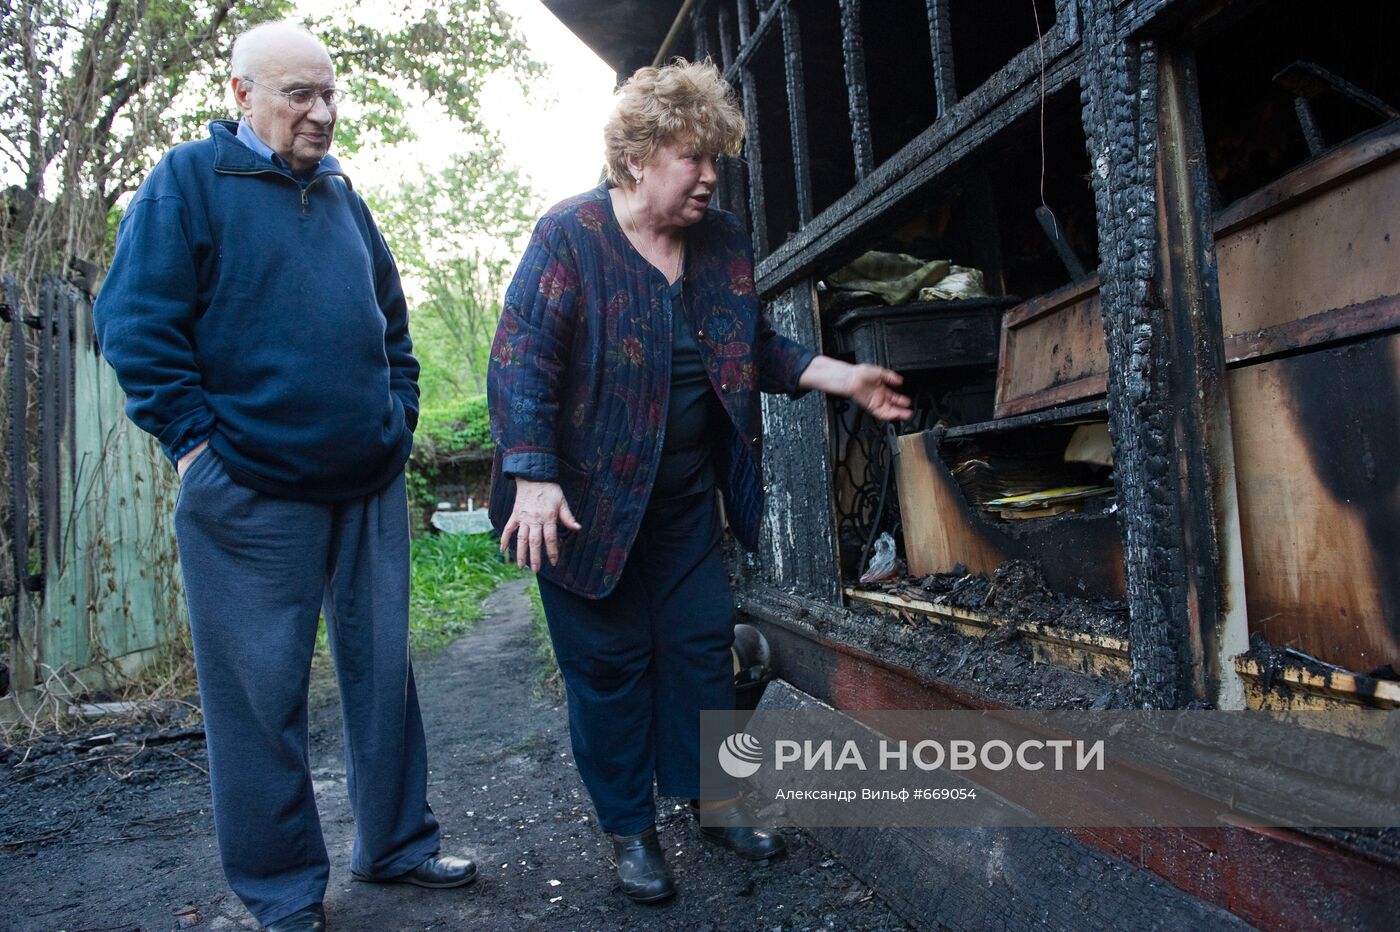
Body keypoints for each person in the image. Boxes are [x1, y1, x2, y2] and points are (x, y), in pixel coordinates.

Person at [487, 59, 911, 903]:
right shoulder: (571, 236)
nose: (711, 176)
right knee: (607, 668)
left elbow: (747, 346)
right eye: (694, 156)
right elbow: (521, 358)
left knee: (699, 652)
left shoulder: (722, 243)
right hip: (582, 510)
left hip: (682, 498)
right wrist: (532, 475)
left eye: (717, 157)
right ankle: (631, 830)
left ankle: (715, 803)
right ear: (639, 157)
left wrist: (840, 376)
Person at [93, 21, 474, 932]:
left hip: (367, 480)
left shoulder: (344, 195)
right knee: (258, 698)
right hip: (250, 491)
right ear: (241, 95)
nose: (321, 112)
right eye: (299, 94)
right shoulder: (190, 180)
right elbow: (134, 325)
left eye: (330, 94)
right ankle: (282, 892)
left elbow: (392, 323)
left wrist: (399, 416)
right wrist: (195, 447)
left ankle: (396, 842)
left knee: (384, 674)